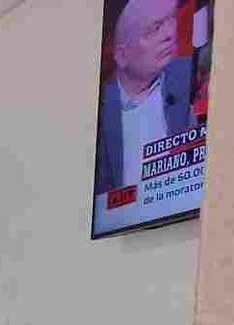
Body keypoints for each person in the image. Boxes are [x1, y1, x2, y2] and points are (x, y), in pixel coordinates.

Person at [94, 0, 197, 195]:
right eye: (155, 28)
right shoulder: (98, 112)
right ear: (122, 55)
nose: (169, 33)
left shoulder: (189, 74)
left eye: (171, 19)